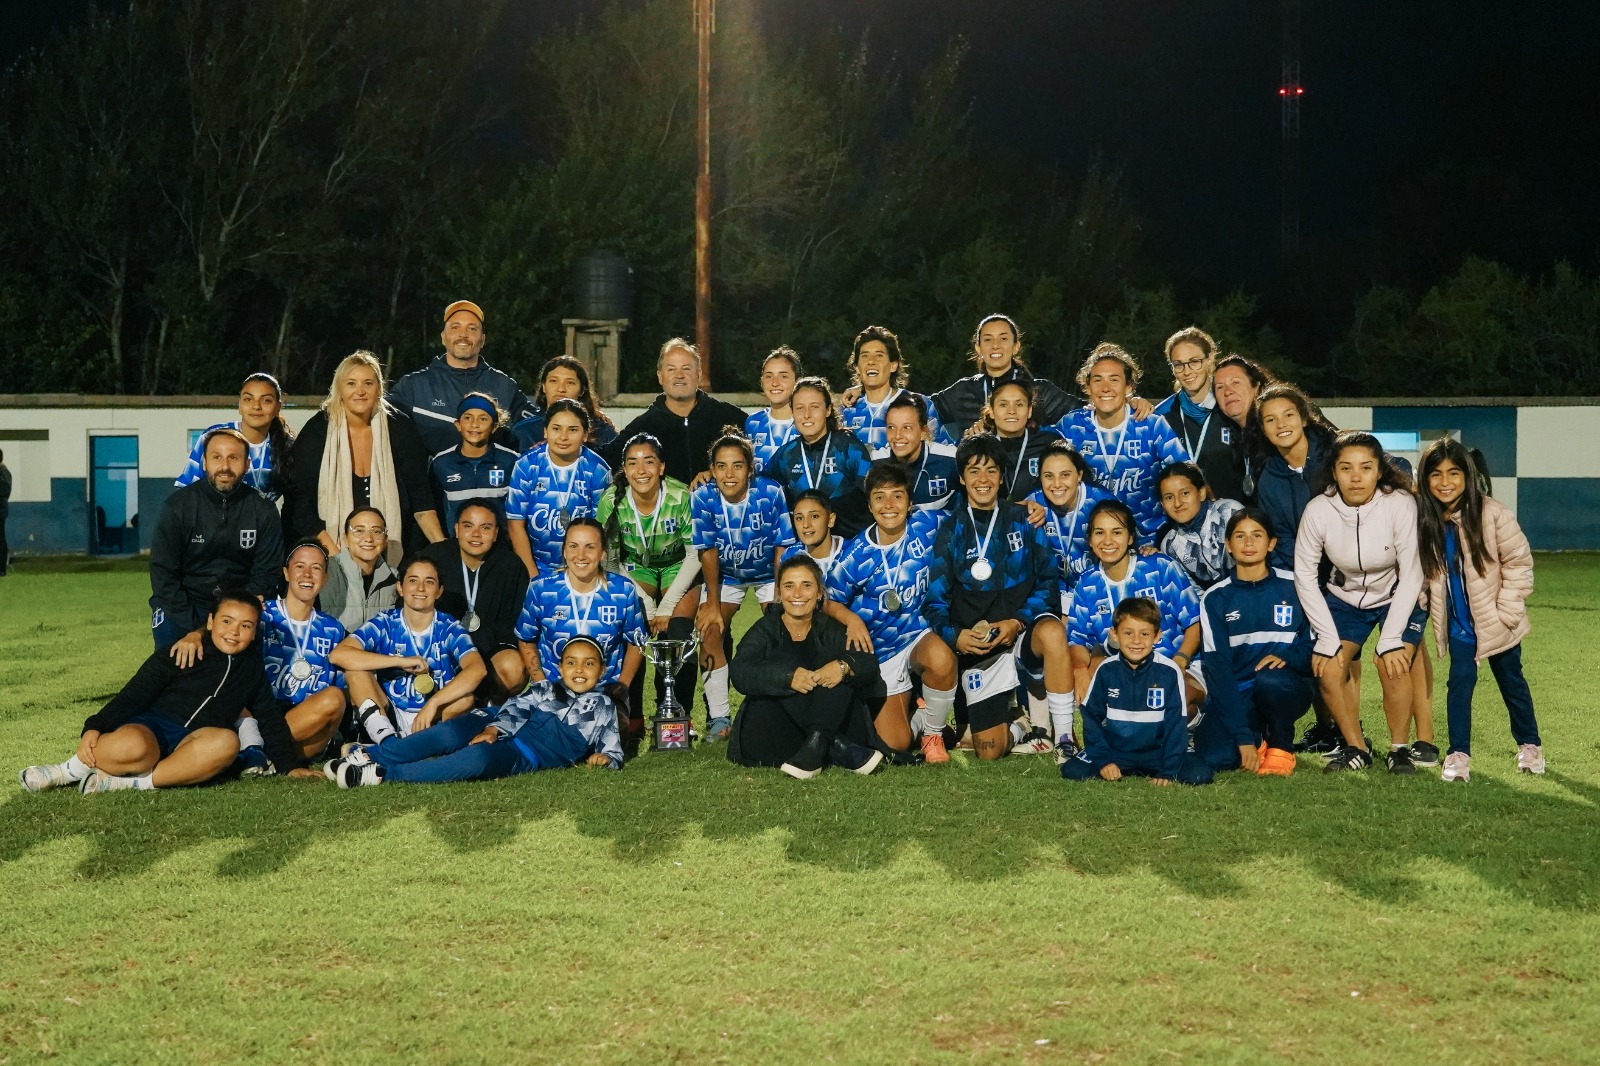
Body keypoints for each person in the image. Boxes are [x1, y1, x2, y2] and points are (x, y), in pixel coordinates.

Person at [20, 591, 316, 794]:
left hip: (193, 742)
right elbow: (135, 693)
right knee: (136, 746)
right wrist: (95, 726)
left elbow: (268, 716)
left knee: (226, 742)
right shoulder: (184, 650)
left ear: (254, 633)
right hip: (153, 729)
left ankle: (127, 785)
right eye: (226, 621)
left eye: (245, 625)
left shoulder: (251, 669)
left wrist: (290, 767)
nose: (234, 631)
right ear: (211, 622)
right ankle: (66, 771)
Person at [1294, 431, 1430, 774]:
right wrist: (1326, 638)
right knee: (1327, 667)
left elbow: (1413, 573)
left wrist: (1390, 638)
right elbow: (1305, 576)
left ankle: (1398, 749)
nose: (1356, 477)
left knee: (1392, 662)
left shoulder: (1400, 502)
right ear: (1334, 472)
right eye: (1346, 468)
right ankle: (1355, 747)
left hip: (1397, 594)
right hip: (1345, 597)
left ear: (1379, 471)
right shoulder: (1318, 510)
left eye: (1366, 467)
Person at [922, 434, 1065, 760]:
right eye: (973, 471)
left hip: (1019, 638)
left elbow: (1048, 585)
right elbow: (934, 602)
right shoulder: (951, 530)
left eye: (990, 470)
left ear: (1002, 475)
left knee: (1050, 632)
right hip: (979, 649)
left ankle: (1055, 729)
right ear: (961, 478)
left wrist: (1016, 622)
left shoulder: (1026, 520)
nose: (982, 480)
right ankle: (1020, 724)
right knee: (987, 750)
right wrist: (957, 637)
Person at [325, 636, 623, 787]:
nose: (579, 670)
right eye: (571, 662)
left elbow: (614, 753)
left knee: (478, 758)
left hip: (525, 752)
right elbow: (518, 705)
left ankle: (381, 775)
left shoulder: (604, 707)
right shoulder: (548, 688)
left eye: (589, 664)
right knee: (449, 732)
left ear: (603, 670)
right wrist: (495, 729)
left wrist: (605, 759)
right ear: (559, 667)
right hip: (500, 722)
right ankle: (372, 755)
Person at [1416, 440, 1543, 781]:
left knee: (1512, 682)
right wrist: (1425, 603)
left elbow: (1518, 562)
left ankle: (1530, 746)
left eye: (1454, 473)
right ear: (1425, 479)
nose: (1445, 482)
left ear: (1468, 476)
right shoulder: (1426, 520)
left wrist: (1508, 612)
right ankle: (1458, 754)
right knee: (1459, 684)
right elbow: (1426, 574)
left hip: (1498, 622)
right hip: (1459, 627)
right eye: (1436, 474)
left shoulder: (1493, 513)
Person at [826, 463, 958, 761]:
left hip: (918, 635)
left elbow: (974, 517)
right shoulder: (855, 555)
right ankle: (922, 714)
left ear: (910, 503)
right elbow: (826, 600)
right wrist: (851, 618)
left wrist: (1025, 508)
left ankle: (933, 736)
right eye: (879, 497)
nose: (889, 505)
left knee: (940, 657)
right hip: (881, 651)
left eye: (897, 496)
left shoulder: (928, 523)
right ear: (869, 505)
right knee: (894, 744)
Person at [728, 555, 885, 779]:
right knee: (778, 668)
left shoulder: (832, 628)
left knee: (836, 664)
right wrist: (787, 677)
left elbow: (869, 666)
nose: (798, 594)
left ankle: (817, 744)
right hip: (773, 734)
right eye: (789, 586)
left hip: (825, 719)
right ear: (779, 593)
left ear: (819, 592)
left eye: (807, 585)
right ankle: (837, 746)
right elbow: (740, 671)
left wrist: (843, 667)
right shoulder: (765, 629)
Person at [282, 350, 443, 559]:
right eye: (351, 383)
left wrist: (443, 549)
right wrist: (338, 559)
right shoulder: (317, 432)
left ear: (379, 388)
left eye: (368, 383)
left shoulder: (400, 428)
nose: (360, 391)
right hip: (331, 552)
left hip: (390, 553)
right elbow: (300, 507)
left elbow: (421, 500)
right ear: (339, 389)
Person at [691, 430, 797, 740]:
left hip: (768, 573)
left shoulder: (770, 492)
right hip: (727, 577)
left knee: (784, 630)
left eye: (737, 465)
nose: (729, 473)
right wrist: (711, 603)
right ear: (712, 469)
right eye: (721, 466)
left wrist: (779, 591)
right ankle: (720, 718)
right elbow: (707, 551)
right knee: (710, 631)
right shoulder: (702, 497)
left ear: (750, 468)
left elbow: (781, 546)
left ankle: (781, 708)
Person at [149, 427, 285, 658]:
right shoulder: (178, 506)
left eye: (233, 458)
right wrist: (197, 627)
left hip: (240, 606)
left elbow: (266, 574)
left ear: (247, 464)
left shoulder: (263, 510)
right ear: (203, 462)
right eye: (216, 457)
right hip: (184, 604)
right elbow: (164, 576)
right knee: (175, 671)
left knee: (241, 678)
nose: (224, 466)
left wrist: (229, 618)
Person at [596, 433, 702, 729]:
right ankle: (634, 717)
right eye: (632, 463)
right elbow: (612, 562)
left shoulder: (681, 496)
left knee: (678, 633)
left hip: (678, 564)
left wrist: (667, 606)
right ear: (624, 469)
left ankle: (678, 716)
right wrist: (649, 607)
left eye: (649, 461)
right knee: (635, 631)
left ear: (662, 467)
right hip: (634, 569)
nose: (641, 470)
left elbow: (694, 556)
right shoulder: (610, 500)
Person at [1065, 499, 1204, 724]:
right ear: (1090, 539)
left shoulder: (1159, 566)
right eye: (1099, 533)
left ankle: (1196, 715)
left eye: (1117, 532)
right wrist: (1080, 669)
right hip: (1126, 672)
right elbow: (1077, 640)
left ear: (1130, 537)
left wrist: (1180, 660)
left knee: (1173, 701)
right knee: (1096, 669)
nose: (1108, 541)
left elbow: (1195, 622)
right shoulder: (1087, 582)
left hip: (1176, 664)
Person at [1198, 510, 1315, 777]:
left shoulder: (1297, 586)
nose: (1248, 543)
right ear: (1228, 545)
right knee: (1215, 756)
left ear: (1271, 543)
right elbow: (1218, 668)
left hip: (1284, 685)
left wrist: (1290, 657)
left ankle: (1281, 744)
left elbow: (1318, 646)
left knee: (1270, 680)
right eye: (1240, 536)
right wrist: (1241, 737)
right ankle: (1256, 733)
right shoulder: (1215, 598)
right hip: (1239, 692)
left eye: (1257, 535)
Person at [1059, 598, 1214, 787]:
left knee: (1199, 774)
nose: (1136, 641)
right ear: (1115, 635)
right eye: (1128, 633)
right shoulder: (1106, 670)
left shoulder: (1169, 671)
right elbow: (1092, 718)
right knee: (1073, 770)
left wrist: (1168, 771)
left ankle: (1161, 765)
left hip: (1157, 751)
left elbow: (1176, 724)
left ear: (1157, 636)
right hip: (1117, 750)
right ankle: (1115, 766)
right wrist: (1104, 761)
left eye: (1145, 634)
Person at [331, 555, 486, 742]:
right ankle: (387, 740)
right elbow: (338, 654)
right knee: (355, 673)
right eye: (413, 581)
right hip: (390, 712)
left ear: (439, 591)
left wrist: (434, 703)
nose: (420, 588)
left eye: (429, 582)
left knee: (465, 700)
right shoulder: (386, 622)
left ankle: (403, 741)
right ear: (400, 588)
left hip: (434, 714)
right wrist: (399, 661)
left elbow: (478, 669)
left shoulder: (450, 627)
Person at [1053, 343, 1187, 543]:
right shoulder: (1072, 426)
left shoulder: (1150, 424)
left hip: (1148, 542)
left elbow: (1186, 473)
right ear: (1087, 386)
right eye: (1097, 380)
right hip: (1092, 542)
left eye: (1114, 380)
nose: (1105, 388)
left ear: (1129, 386)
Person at [515, 519, 646, 707]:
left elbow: (636, 642)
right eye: (573, 546)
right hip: (554, 692)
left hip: (604, 694)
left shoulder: (622, 590)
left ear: (602, 553)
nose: (581, 555)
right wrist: (540, 682)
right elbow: (526, 638)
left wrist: (622, 686)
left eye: (590, 547)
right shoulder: (542, 588)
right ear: (564, 551)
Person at [388, 300, 536, 456]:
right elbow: (375, 419)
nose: (463, 335)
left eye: (472, 328)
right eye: (455, 327)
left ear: (483, 339)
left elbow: (541, 426)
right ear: (443, 337)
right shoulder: (414, 387)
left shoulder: (504, 386)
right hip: (429, 480)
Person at [421, 501, 531, 702]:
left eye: (486, 527)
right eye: (468, 526)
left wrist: (480, 639)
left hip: (489, 648)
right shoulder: (433, 558)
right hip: (440, 646)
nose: (476, 534)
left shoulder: (511, 565)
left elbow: (517, 621)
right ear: (456, 529)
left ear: (496, 533)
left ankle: (488, 705)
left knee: (513, 668)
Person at [258, 541, 350, 764]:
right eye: (300, 566)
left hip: (309, 720)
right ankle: (266, 753)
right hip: (265, 716)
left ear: (325, 578)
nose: (307, 575)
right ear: (286, 573)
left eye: (316, 568)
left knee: (335, 698)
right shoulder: (262, 615)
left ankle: (268, 758)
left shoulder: (332, 629)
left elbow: (339, 687)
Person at [610, 338, 746, 487]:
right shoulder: (642, 427)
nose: (679, 375)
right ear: (660, 376)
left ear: (699, 374)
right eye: (671, 369)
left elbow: (759, 456)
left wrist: (716, 473)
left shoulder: (729, 416)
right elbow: (604, 460)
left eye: (686, 368)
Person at [504, 398, 613, 578]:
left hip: (583, 566)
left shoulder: (597, 470)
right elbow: (515, 525)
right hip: (535, 566)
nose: (563, 437)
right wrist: (533, 577)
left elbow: (600, 530)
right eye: (556, 428)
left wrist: (583, 572)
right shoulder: (526, 465)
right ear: (545, 431)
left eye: (572, 430)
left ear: (585, 434)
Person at [930, 314, 1079, 440]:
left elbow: (1086, 413)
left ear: (1016, 347)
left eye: (1003, 339)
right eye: (988, 339)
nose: (995, 345)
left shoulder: (1040, 391)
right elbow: (920, 409)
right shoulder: (963, 390)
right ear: (978, 348)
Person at [764, 376, 874, 539]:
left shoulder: (848, 449)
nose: (806, 415)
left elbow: (876, 496)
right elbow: (758, 488)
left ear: (828, 410)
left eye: (814, 407)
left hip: (850, 551)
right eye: (800, 408)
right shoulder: (786, 455)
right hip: (807, 551)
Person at [1151, 328, 1249, 502]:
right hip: (1183, 520)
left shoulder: (1231, 407)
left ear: (1209, 359)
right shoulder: (1162, 416)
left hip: (1233, 518)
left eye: (1194, 361)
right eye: (1178, 364)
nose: (1187, 371)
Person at [1253, 384, 1338, 570]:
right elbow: (1281, 537)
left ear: (1304, 419)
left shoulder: (1336, 454)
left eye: (1288, 415)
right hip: (1305, 572)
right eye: (1270, 420)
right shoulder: (1269, 480)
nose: (1281, 424)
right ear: (1264, 431)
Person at [1023, 441, 1112, 611]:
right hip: (1052, 596)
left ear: (1079, 475)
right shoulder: (1033, 503)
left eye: (1065, 475)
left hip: (1098, 593)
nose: (1057, 484)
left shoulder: (1101, 503)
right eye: (1048, 476)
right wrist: (1018, 507)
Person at [175, 373, 294, 500]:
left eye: (266, 400)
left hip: (259, 519)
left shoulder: (288, 446)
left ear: (278, 407)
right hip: (210, 518)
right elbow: (185, 492)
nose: (256, 406)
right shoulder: (214, 436)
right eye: (248, 399)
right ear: (239, 405)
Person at [838, 325, 946, 450]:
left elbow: (943, 451)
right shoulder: (846, 411)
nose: (871, 361)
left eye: (879, 355)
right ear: (857, 367)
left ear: (893, 365)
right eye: (865, 356)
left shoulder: (920, 405)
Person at [428, 393, 520, 529]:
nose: (474, 424)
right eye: (467, 418)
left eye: (483, 419)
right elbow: (432, 508)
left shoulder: (511, 461)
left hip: (501, 545)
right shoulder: (441, 463)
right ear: (458, 424)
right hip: (456, 545)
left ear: (494, 427)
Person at [967, 377, 1064, 502]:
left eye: (1019, 404)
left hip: (1038, 519)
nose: (1011, 411)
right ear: (991, 411)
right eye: (1003, 405)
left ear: (1029, 411)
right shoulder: (976, 446)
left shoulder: (1050, 444)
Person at [1153, 462, 1244, 589]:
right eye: (1169, 497)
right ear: (1162, 505)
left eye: (1184, 493)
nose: (1177, 503)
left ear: (1201, 493)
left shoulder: (1229, 512)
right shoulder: (1170, 545)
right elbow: (1193, 591)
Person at [509, 356, 619, 454]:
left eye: (570, 383)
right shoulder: (524, 431)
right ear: (543, 386)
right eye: (553, 381)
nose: (561, 389)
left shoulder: (602, 431)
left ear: (582, 390)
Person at [872, 392, 959, 513]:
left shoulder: (951, 459)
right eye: (891, 427)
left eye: (907, 427)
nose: (897, 436)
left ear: (924, 432)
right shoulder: (873, 463)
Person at [318, 506, 399, 631]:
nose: (368, 539)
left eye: (376, 531)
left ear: (385, 540)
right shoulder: (325, 571)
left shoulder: (394, 578)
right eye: (359, 531)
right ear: (346, 537)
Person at [1211, 354, 1276, 503]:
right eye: (1220, 387)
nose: (1228, 391)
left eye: (1236, 383)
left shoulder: (1275, 427)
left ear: (1256, 387)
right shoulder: (1239, 438)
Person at [744, 347, 802, 475]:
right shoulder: (753, 422)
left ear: (797, 381)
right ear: (762, 381)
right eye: (769, 376)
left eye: (784, 376)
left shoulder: (806, 421)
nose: (775, 383)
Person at [782, 490, 848, 586]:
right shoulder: (790, 555)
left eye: (814, 516)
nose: (806, 525)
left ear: (831, 519)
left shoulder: (852, 553)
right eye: (799, 518)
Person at [0, 447, 9, 575]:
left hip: (0, 510)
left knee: (0, 540)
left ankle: (1, 569)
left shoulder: (4, 473)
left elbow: (4, 491)